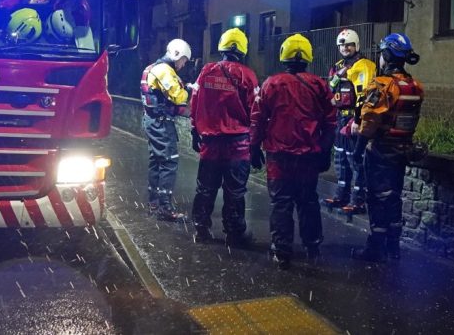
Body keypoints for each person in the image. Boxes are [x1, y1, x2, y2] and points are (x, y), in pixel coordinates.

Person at [250, 34, 336, 269]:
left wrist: (253, 147)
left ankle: (282, 250)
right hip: (308, 157)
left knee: (281, 203)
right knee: (308, 201)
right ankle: (312, 245)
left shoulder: (271, 83)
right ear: (308, 56)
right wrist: (325, 151)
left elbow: (257, 119)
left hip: (279, 157)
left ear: (283, 55)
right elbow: (330, 122)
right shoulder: (319, 85)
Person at [351, 33, 423, 262]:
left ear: (387, 55)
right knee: (394, 198)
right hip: (403, 149)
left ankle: (375, 248)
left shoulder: (383, 85)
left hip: (381, 150)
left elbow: (370, 120)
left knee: (377, 197)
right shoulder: (414, 86)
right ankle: (394, 248)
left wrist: (358, 148)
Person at [190, 28, 259, 247]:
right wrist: (256, 145)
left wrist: (194, 130)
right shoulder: (247, 75)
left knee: (205, 188)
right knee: (235, 192)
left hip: (210, 144)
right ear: (243, 49)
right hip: (238, 145)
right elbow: (255, 111)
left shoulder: (207, 71)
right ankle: (234, 232)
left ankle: (201, 229)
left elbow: (195, 102)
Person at [323, 28, 376, 216]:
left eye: (349, 45)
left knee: (355, 160)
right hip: (340, 117)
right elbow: (330, 89)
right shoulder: (337, 66)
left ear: (356, 45)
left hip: (353, 118)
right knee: (340, 159)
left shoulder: (364, 65)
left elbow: (365, 95)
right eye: (342, 45)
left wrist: (358, 119)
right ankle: (341, 196)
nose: (345, 48)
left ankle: (358, 201)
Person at [140, 38, 193, 221]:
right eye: (184, 60)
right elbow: (178, 97)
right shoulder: (164, 70)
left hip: (153, 121)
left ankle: (154, 203)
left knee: (156, 161)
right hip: (160, 123)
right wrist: (190, 91)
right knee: (169, 162)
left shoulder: (155, 67)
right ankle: (165, 207)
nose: (183, 65)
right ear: (176, 54)